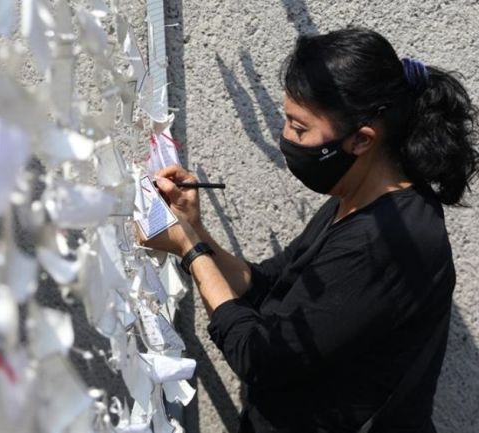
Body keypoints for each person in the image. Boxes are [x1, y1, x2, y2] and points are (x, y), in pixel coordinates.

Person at [141, 27, 478, 433]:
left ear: (361, 140)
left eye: (299, 129)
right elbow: (264, 286)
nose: (285, 138)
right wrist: (195, 230)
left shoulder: (388, 240)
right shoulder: (355, 199)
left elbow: (260, 357)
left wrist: (190, 250)